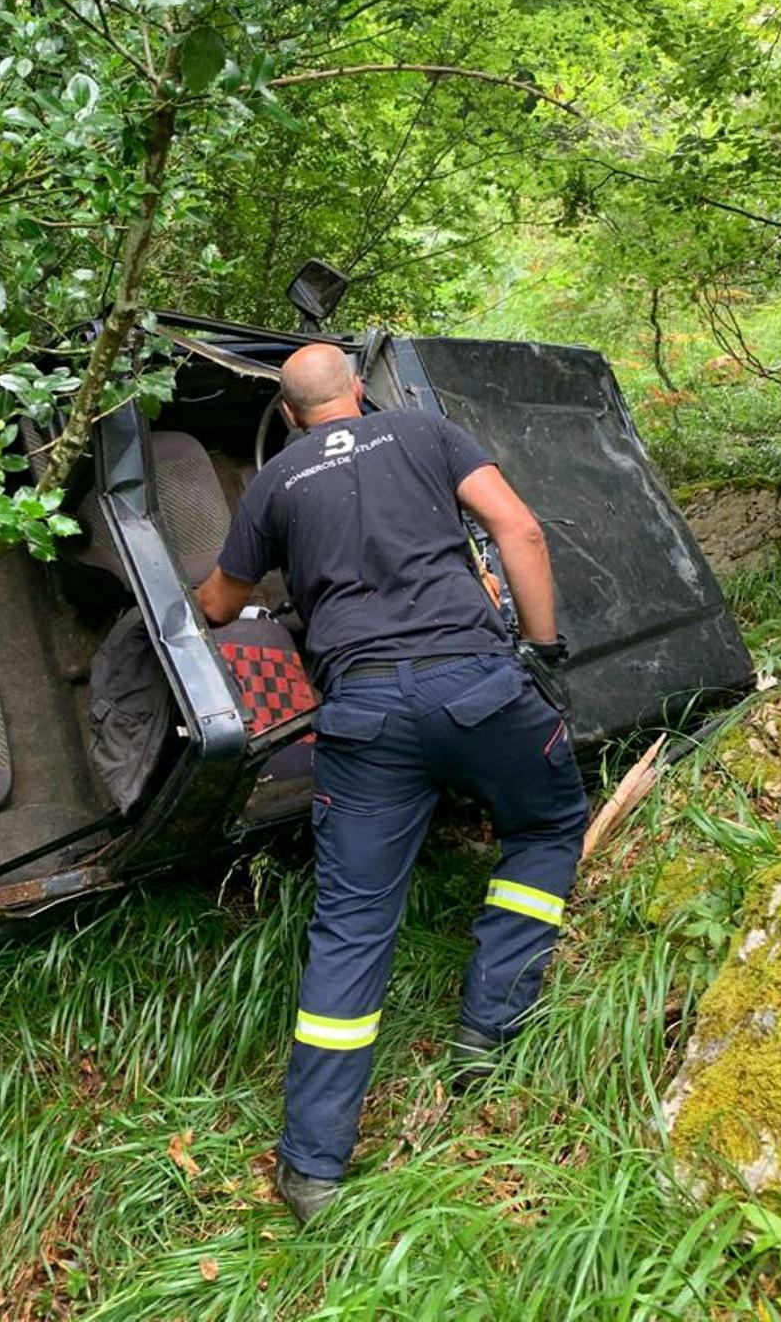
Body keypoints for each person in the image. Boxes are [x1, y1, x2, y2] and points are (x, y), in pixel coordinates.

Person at [195, 343, 589, 1225]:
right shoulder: (425, 431)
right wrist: (544, 650)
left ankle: (312, 1170)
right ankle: (488, 1029)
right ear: (359, 392)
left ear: (290, 415)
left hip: (364, 717)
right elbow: (520, 532)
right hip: (479, 691)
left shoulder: (274, 483)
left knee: (352, 925)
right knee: (545, 825)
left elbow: (217, 606)